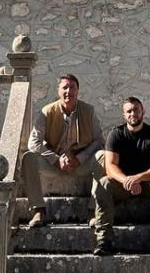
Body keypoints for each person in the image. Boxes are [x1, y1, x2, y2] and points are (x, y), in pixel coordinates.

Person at [93, 97, 150, 256]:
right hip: (122, 184)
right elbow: (110, 166)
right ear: (124, 115)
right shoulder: (116, 134)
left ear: (143, 111)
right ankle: (103, 241)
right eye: (129, 111)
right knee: (104, 183)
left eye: (136, 110)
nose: (133, 114)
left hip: (147, 183)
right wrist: (127, 181)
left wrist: (138, 178)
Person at [20, 73, 104, 227]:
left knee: (103, 157)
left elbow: (99, 141)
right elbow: (34, 142)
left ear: (77, 91)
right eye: (65, 87)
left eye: (72, 88)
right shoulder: (47, 111)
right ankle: (38, 210)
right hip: (54, 164)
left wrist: (80, 159)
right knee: (28, 158)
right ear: (58, 91)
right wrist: (55, 159)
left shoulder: (89, 111)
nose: (68, 91)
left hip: (79, 164)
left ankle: (93, 211)